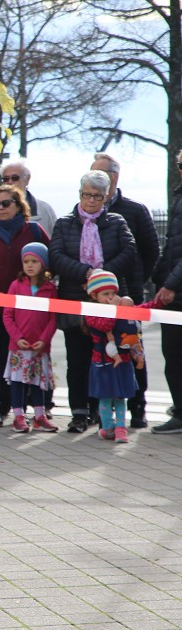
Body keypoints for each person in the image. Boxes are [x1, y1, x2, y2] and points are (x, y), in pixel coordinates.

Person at [48, 170, 136, 433]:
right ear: (79, 194)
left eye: (97, 196)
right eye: (87, 195)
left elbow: (130, 250)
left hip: (109, 301)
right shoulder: (65, 223)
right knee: (77, 359)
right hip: (75, 298)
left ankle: (102, 412)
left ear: (106, 196)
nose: (91, 201)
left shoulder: (116, 222)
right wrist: (86, 274)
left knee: (106, 357)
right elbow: (56, 255)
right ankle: (78, 412)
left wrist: (103, 277)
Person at [90, 152, 160, 428]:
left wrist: (136, 281)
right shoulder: (87, 210)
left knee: (131, 348)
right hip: (96, 297)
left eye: (100, 174)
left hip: (128, 294)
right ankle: (99, 409)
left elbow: (150, 250)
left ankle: (138, 408)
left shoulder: (134, 210)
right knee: (101, 351)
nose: (94, 181)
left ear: (114, 178)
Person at [0, 184, 48, 427]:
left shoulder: (33, 230)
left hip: (24, 311)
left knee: (23, 356)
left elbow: (49, 260)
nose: (0, 208)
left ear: (18, 205)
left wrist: (37, 288)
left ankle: (21, 408)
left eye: (5, 203)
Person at [1, 242, 58, 433]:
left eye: (35, 261)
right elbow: (8, 314)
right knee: (18, 381)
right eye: (26, 261)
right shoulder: (15, 286)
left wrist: (44, 340)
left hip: (39, 347)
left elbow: (53, 318)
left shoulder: (50, 289)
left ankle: (39, 416)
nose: (30, 265)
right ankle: (18, 415)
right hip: (19, 346)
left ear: (43, 264)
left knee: (38, 381)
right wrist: (17, 338)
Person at [84, 270, 145, 443]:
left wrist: (138, 354)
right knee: (104, 398)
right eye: (105, 294)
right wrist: (115, 309)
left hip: (123, 361)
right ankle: (107, 427)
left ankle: (120, 427)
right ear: (94, 295)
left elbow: (132, 335)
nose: (111, 297)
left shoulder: (121, 310)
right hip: (102, 361)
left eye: (113, 293)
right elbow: (104, 325)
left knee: (120, 397)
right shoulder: (92, 312)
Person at [151, 148, 182, 434]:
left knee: (175, 355)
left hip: (179, 294)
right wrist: (158, 278)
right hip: (172, 294)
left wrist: (170, 285)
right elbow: (171, 245)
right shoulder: (178, 197)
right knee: (171, 355)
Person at [0, 159, 57, 236]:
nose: (10, 182)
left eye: (15, 178)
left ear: (27, 179)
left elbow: (56, 241)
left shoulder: (44, 209)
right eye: (6, 179)